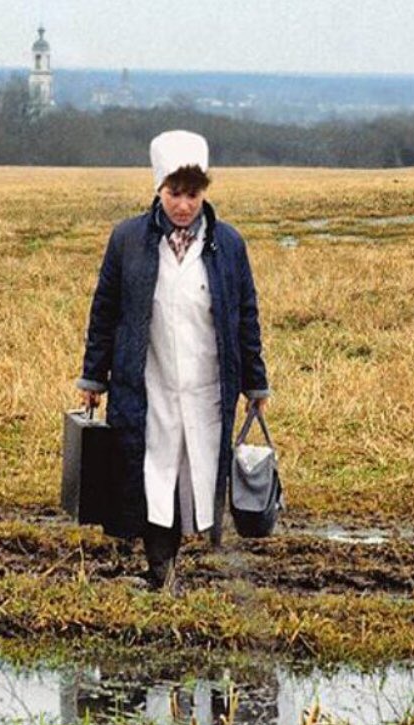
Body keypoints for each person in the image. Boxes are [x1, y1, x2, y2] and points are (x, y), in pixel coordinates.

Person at [76, 130, 270, 593]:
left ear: (205, 193)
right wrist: (93, 375)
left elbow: (246, 314)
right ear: (158, 190)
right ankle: (160, 568)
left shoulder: (228, 244)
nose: (183, 205)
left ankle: (173, 560)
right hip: (148, 382)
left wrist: (255, 384)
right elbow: (105, 309)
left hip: (207, 386)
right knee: (152, 471)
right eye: (174, 194)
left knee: (194, 472)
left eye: (193, 194)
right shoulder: (127, 240)